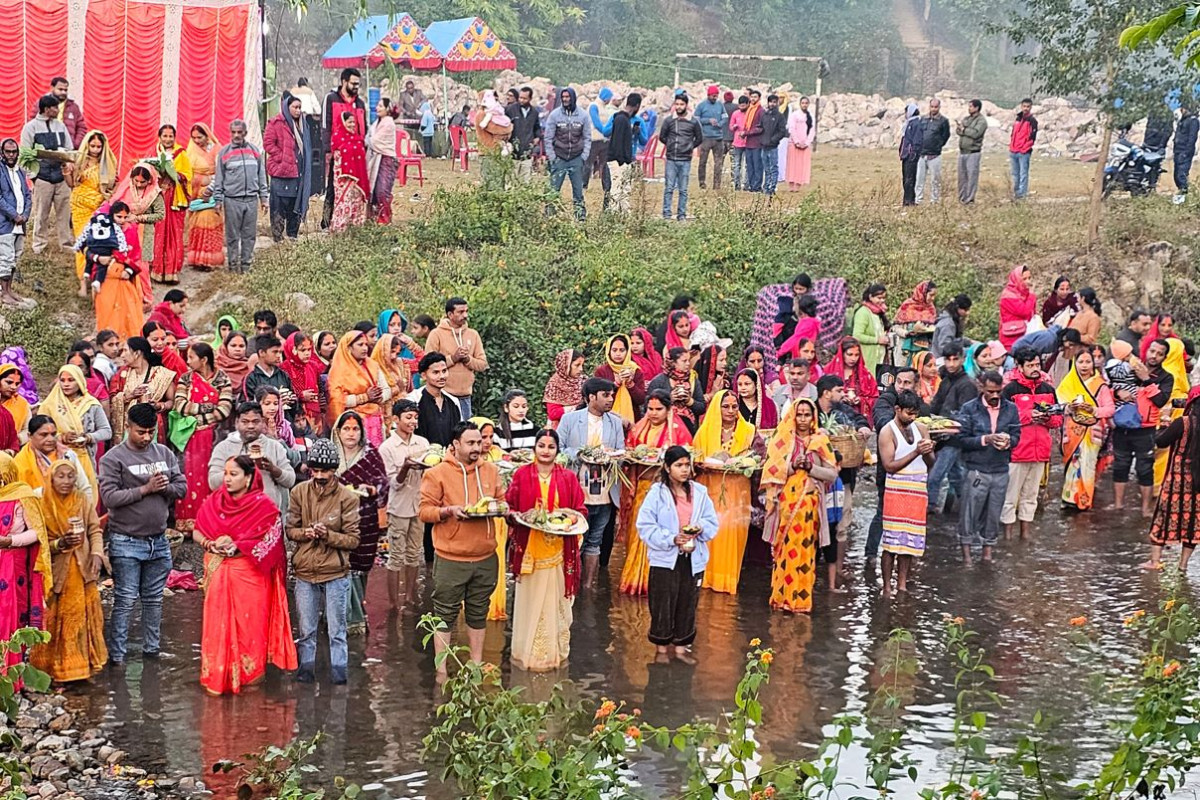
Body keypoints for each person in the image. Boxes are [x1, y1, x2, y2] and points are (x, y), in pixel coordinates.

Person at [193, 455, 296, 694]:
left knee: (250, 628)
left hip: (250, 577)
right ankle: (218, 679)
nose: (227, 479)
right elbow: (198, 531)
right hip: (218, 574)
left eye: (233, 474)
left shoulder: (264, 507)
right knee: (216, 629)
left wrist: (239, 546)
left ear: (249, 478)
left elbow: (272, 544)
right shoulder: (214, 501)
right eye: (226, 474)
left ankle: (251, 682)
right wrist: (210, 544)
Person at [99, 403, 186, 663]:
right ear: (128, 427)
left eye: (151, 431)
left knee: (153, 600)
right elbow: (109, 497)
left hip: (158, 541)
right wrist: (145, 489)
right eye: (141, 432)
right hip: (125, 540)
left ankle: (152, 653)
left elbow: (181, 487)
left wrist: (165, 488)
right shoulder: (113, 458)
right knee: (125, 600)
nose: (147, 437)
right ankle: (117, 658)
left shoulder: (164, 454)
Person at [419, 421, 503, 679]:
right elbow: (424, 512)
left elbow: (500, 501)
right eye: (471, 443)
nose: (477, 447)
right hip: (451, 558)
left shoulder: (490, 470)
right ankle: (441, 671)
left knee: (479, 612)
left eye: (479, 442)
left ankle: (475, 664)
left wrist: (502, 508)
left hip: (486, 556)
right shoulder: (437, 473)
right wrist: (448, 511)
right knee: (444, 613)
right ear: (455, 445)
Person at [504, 428, 587, 671]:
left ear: (557, 450)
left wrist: (570, 517)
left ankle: (554, 657)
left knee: (557, 604)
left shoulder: (568, 478)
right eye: (541, 445)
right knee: (529, 603)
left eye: (551, 447)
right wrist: (520, 516)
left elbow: (580, 510)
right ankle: (526, 656)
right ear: (534, 448)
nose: (546, 451)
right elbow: (509, 508)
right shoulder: (521, 475)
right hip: (530, 550)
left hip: (559, 551)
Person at [286, 438, 359, 684]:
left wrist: (328, 536)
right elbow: (290, 530)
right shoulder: (298, 492)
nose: (319, 476)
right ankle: (306, 676)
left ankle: (339, 680)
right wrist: (306, 533)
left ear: (334, 470)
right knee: (306, 632)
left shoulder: (348, 498)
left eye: (325, 471)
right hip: (305, 571)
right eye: (315, 470)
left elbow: (352, 540)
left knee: (337, 632)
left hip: (336, 572)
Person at [637, 445, 717, 662]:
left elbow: (712, 522)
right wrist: (671, 538)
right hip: (665, 558)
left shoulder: (700, 493)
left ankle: (681, 647)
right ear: (667, 467)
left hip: (694, 556)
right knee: (662, 603)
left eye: (686, 465)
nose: (684, 469)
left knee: (688, 601)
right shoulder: (657, 494)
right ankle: (661, 650)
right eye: (678, 465)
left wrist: (699, 528)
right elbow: (644, 525)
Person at [29, 458, 106, 682]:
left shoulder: (82, 500)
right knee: (53, 619)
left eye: (70, 476)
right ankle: (50, 671)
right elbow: (40, 540)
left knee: (83, 618)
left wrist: (96, 554)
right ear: (51, 478)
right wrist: (59, 544)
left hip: (83, 572)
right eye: (60, 476)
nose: (65, 481)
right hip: (55, 573)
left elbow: (94, 530)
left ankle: (81, 668)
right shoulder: (42, 503)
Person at [763, 398, 838, 613]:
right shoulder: (783, 440)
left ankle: (801, 601)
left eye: (807, 415)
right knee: (784, 551)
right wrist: (792, 466)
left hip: (809, 507)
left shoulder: (821, 441)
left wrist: (811, 467)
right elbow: (771, 471)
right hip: (785, 506)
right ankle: (781, 599)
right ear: (793, 416)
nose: (803, 419)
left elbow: (832, 473)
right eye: (799, 414)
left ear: (813, 416)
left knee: (805, 552)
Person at [618, 390, 693, 596]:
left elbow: (687, 461)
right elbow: (629, 451)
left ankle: (659, 584)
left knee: (662, 535)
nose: (653, 413)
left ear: (669, 409)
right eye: (650, 409)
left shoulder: (678, 430)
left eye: (658, 409)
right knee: (639, 536)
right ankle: (636, 582)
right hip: (641, 488)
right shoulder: (639, 428)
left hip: (666, 492)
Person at [693, 390, 762, 594]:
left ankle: (727, 585)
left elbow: (760, 457)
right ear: (716, 408)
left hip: (738, 495)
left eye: (734, 406)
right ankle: (705, 581)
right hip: (709, 492)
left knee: (731, 537)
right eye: (725, 406)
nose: (731, 411)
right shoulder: (704, 432)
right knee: (709, 536)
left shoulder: (749, 431)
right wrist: (704, 464)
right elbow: (694, 461)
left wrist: (741, 463)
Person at [557, 378, 624, 588]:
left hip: (604, 491)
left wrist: (612, 455)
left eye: (611, 395)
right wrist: (581, 453)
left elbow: (621, 452)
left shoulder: (615, 422)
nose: (610, 399)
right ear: (591, 397)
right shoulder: (570, 420)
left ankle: (587, 587)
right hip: (578, 488)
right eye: (606, 395)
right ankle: (570, 586)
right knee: (576, 539)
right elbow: (558, 449)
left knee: (595, 540)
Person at [952, 371, 1021, 565]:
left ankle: (987, 553)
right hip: (976, 469)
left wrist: (1008, 441)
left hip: (1000, 469)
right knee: (969, 513)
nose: (995, 396)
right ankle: (966, 555)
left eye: (998, 392)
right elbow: (961, 439)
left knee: (993, 513)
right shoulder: (969, 409)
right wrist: (986, 440)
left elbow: (1017, 435)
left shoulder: (1011, 409)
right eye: (990, 391)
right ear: (981, 388)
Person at [331, 411, 388, 636]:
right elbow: (315, 481)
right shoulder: (330, 453)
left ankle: (355, 611)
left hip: (365, 518)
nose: (351, 434)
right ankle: (345, 618)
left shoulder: (370, 454)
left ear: (362, 431)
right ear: (338, 431)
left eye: (355, 429)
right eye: (346, 429)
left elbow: (383, 482)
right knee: (339, 567)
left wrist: (372, 490)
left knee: (360, 568)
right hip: (334, 520)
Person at [1000, 347, 1063, 539]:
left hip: (1040, 451)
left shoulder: (1048, 389)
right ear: (1019, 367)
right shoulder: (1010, 390)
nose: (1035, 369)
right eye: (1030, 365)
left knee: (1031, 497)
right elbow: (1003, 420)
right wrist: (1028, 416)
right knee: (1010, 497)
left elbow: (1058, 419)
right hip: (1017, 451)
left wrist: (1046, 418)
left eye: (1037, 364)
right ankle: (1008, 536)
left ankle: (1025, 535)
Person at [878, 391, 935, 596]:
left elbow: (931, 464)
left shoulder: (921, 428)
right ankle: (886, 588)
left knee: (909, 543)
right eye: (908, 414)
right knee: (891, 542)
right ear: (897, 410)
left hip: (918, 490)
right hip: (896, 491)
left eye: (915, 414)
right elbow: (889, 466)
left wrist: (927, 451)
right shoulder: (887, 431)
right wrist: (916, 452)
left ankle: (901, 585)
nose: (912, 418)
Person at [172, 343, 234, 531]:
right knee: (190, 477)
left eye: (191, 357)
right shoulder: (186, 379)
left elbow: (225, 409)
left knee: (212, 475)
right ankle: (189, 522)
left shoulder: (222, 379)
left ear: (204, 360)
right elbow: (180, 406)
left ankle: (210, 522)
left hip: (215, 437)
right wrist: (207, 408)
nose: (187, 361)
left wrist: (197, 413)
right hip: (191, 438)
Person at [1112, 338, 1174, 517]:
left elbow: (1161, 400)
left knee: (1145, 468)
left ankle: (1145, 509)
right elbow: (1109, 387)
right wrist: (1117, 393)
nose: (1154, 356)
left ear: (1164, 357)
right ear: (1147, 350)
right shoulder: (1129, 367)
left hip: (1145, 429)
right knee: (1120, 465)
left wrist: (1146, 380)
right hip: (1122, 426)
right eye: (1152, 351)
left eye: (1159, 354)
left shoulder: (1166, 377)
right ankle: (1118, 506)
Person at [0, 452, 49, 668]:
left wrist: (10, 540)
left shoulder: (22, 496)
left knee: (9, 614)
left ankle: (10, 673)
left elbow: (37, 532)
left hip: (12, 563)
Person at [379, 399, 428, 609]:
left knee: (415, 553)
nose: (413, 421)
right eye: (408, 417)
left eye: (415, 417)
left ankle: (409, 595)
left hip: (419, 505)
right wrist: (406, 467)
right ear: (395, 419)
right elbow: (394, 484)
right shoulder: (387, 448)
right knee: (396, 556)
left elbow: (429, 472)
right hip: (398, 508)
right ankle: (393, 602)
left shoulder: (423, 443)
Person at [209, 402, 296, 515]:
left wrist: (273, 469)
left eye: (255, 422)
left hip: (267, 515)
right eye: (245, 422)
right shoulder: (224, 447)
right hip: (233, 516)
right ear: (236, 423)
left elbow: (290, 480)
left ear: (263, 423)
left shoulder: (274, 446)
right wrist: (238, 467)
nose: (250, 426)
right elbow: (213, 483)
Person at [1146, 386, 1200, 568]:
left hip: (1177, 479)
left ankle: (1155, 561)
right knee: (1193, 521)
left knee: (1163, 516)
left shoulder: (1182, 423)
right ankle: (1183, 565)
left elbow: (1160, 441)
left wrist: (1165, 425)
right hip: (1198, 481)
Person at [39, 365, 111, 498]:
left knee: (84, 497)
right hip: (56, 459)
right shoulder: (50, 405)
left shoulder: (91, 404)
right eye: (63, 380)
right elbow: (39, 434)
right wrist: (60, 438)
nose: (66, 384)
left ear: (79, 381)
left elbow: (106, 431)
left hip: (85, 458)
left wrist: (88, 437)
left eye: (71, 380)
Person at [1057, 350, 1115, 511]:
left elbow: (1110, 409)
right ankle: (1068, 500)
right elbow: (1058, 406)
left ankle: (1083, 501)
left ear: (1093, 364)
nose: (1084, 366)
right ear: (1074, 363)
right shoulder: (1068, 383)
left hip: (1091, 433)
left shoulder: (1100, 385)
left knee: (1087, 466)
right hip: (1071, 431)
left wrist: (1094, 410)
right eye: (1080, 362)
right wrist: (1069, 407)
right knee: (1072, 465)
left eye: (1087, 362)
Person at [21, 95, 73, 255]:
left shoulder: (61, 126)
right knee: (41, 213)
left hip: (61, 177)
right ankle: (39, 245)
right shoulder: (30, 128)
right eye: (55, 108)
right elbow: (25, 154)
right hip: (42, 177)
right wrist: (34, 176)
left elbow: (69, 148)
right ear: (46, 109)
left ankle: (66, 244)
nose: (58, 110)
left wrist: (68, 168)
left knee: (64, 213)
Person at [69, 131, 118, 289]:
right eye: (92, 146)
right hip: (80, 206)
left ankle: (98, 277)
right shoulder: (80, 161)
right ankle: (83, 281)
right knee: (82, 242)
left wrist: (105, 201)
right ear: (87, 145)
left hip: (98, 208)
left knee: (98, 242)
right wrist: (65, 170)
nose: (96, 149)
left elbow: (112, 186)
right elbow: (72, 184)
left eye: (99, 146)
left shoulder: (109, 162)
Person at [425, 298, 488, 418]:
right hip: (442, 395)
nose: (465, 315)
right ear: (450, 314)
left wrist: (467, 359)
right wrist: (453, 358)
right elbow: (428, 363)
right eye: (460, 312)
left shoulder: (473, 334)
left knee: (464, 433)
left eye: (466, 311)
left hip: (465, 397)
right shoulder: (436, 334)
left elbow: (482, 364)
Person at [326, 330, 390, 446]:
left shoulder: (372, 365)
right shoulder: (338, 371)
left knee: (375, 459)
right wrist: (365, 397)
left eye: (366, 344)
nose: (365, 348)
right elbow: (337, 400)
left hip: (375, 421)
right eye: (360, 345)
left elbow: (387, 390)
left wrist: (378, 397)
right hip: (352, 424)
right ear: (348, 348)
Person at [322, 69, 366, 228]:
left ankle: (351, 222)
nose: (356, 87)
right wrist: (328, 150)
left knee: (355, 189)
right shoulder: (331, 98)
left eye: (358, 84)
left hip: (356, 153)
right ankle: (327, 223)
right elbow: (325, 125)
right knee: (333, 189)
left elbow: (363, 128)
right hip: (337, 153)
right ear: (343, 82)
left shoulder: (359, 103)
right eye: (353, 83)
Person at [263, 93, 311, 241]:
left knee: (294, 207)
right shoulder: (276, 123)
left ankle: (292, 237)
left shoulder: (303, 124)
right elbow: (268, 144)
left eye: (299, 107)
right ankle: (278, 240)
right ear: (286, 107)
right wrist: (283, 158)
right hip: (281, 173)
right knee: (279, 207)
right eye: (295, 107)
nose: (298, 111)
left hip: (298, 174)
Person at [148, 125, 192, 284]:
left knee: (174, 234)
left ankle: (171, 271)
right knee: (157, 232)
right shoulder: (153, 153)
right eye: (164, 136)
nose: (167, 139)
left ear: (175, 137)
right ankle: (157, 270)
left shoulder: (181, 154)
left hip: (175, 198)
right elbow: (146, 173)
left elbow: (188, 175)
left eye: (170, 136)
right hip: (157, 197)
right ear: (159, 137)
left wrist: (174, 174)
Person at [544, 87, 592, 220]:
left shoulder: (583, 115)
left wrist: (584, 156)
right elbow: (548, 138)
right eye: (563, 97)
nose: (565, 99)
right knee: (553, 190)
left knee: (578, 190)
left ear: (573, 98)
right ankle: (549, 217)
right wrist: (552, 157)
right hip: (559, 158)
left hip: (576, 158)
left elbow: (587, 137)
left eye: (567, 97)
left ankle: (580, 218)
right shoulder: (554, 115)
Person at [182, 123, 224, 269]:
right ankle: (196, 259)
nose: (197, 141)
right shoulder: (191, 150)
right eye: (193, 138)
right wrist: (198, 181)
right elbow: (187, 172)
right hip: (195, 195)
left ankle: (210, 260)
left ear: (207, 135)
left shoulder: (217, 149)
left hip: (211, 194)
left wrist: (210, 187)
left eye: (200, 137)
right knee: (195, 224)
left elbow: (221, 173)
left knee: (207, 219)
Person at [659, 92, 703, 221]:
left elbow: (699, 138)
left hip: (685, 160)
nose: (679, 107)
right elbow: (662, 136)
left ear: (686, 105)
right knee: (669, 188)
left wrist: (689, 147)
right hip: (671, 158)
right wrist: (671, 145)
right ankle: (666, 214)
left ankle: (681, 214)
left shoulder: (693, 122)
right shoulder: (669, 121)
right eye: (677, 104)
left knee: (683, 189)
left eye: (681, 104)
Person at [0, 139, 32, 308]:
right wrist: (13, 215)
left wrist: (25, 214)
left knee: (15, 257)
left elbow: (27, 194)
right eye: (8, 152)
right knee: (5, 257)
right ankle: (4, 293)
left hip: (20, 223)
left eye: (13, 152)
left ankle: (10, 290)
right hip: (5, 223)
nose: (11, 155)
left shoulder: (20, 171)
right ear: (2, 153)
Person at [648, 347, 706, 434]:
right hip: (663, 430)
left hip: (688, 429)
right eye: (684, 361)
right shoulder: (658, 381)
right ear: (673, 363)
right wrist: (669, 399)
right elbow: (647, 407)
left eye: (688, 360)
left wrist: (689, 401)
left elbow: (701, 408)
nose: (688, 364)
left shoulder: (693, 380)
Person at [328, 112, 369, 232]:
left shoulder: (357, 138)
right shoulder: (337, 138)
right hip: (344, 179)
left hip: (358, 179)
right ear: (342, 122)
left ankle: (356, 230)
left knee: (357, 203)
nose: (352, 125)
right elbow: (337, 160)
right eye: (349, 122)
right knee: (345, 202)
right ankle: (340, 230)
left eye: (354, 122)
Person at [412, 353, 463, 448]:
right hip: (421, 457)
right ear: (423, 375)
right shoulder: (414, 401)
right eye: (436, 372)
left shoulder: (454, 402)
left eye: (444, 371)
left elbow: (460, 434)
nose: (442, 376)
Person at [607, 93, 646, 213]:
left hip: (624, 161)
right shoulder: (620, 119)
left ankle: (625, 216)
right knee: (616, 191)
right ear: (637, 106)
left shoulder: (624, 119)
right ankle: (613, 218)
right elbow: (617, 142)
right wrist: (621, 161)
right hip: (618, 161)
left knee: (625, 191)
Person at [595, 334, 646, 425]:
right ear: (609, 351)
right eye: (614, 350)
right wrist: (615, 385)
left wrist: (630, 384)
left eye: (622, 350)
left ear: (627, 351)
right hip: (606, 419)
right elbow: (598, 399)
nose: (618, 354)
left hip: (632, 419)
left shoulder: (635, 370)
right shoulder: (601, 371)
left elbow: (641, 400)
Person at [280, 333, 323, 435]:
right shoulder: (285, 368)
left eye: (309, 349)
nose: (307, 353)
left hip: (315, 415)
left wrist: (322, 413)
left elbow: (320, 391)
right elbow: (284, 393)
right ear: (292, 349)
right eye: (303, 350)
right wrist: (301, 396)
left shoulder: (313, 366)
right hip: (295, 416)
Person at [826, 337, 878, 417]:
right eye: (850, 354)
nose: (853, 359)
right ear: (842, 353)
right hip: (835, 417)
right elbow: (823, 396)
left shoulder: (865, 375)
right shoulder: (830, 371)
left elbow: (875, 398)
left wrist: (861, 400)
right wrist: (839, 398)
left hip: (859, 419)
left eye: (856, 355)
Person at [367, 98, 399, 224]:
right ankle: (376, 217)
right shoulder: (377, 122)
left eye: (381, 106)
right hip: (377, 158)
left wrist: (365, 141)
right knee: (374, 190)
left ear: (388, 109)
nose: (377, 108)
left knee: (382, 191)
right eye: (378, 105)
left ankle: (384, 219)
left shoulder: (388, 123)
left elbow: (376, 141)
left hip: (387, 159)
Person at [916, 99, 951, 204]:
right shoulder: (923, 119)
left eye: (936, 107)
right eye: (932, 106)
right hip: (922, 155)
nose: (934, 109)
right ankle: (918, 199)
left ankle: (934, 200)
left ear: (939, 107)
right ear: (929, 106)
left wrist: (938, 145)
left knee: (935, 179)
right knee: (919, 179)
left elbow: (945, 136)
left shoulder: (943, 121)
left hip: (934, 155)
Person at [852, 284, 890, 377]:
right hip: (867, 358)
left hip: (879, 360)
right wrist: (877, 340)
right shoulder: (863, 312)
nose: (882, 301)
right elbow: (857, 335)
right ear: (870, 297)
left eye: (883, 298)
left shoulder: (878, 313)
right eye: (879, 298)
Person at [695, 86, 728, 190]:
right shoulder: (701, 106)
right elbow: (696, 119)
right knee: (702, 161)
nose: (715, 98)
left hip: (718, 138)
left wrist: (720, 124)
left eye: (716, 96)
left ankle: (717, 184)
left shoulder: (720, 105)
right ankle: (702, 182)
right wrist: (708, 121)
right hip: (706, 138)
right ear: (708, 95)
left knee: (718, 162)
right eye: (713, 96)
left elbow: (725, 117)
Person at [38, 78, 88, 147]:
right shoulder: (42, 103)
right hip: (46, 150)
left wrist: (75, 144)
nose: (63, 92)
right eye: (60, 89)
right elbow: (34, 122)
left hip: (69, 149)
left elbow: (81, 127)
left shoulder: (73, 107)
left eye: (65, 90)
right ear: (52, 88)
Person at [507, 86, 542, 183]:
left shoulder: (534, 113)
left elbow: (537, 127)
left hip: (527, 153)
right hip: (512, 154)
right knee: (511, 182)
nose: (521, 100)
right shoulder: (510, 110)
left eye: (524, 98)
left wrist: (538, 137)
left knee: (525, 182)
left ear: (530, 99)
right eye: (520, 97)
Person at [956, 100, 987, 204]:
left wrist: (965, 130)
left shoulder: (981, 121)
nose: (969, 108)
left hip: (973, 152)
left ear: (977, 108)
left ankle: (970, 199)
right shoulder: (967, 119)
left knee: (971, 177)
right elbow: (959, 131)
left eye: (971, 107)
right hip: (963, 152)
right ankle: (962, 198)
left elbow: (976, 133)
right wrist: (962, 129)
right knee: (962, 177)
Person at [998, 266, 1037, 350]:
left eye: (1029, 278)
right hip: (1012, 338)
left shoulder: (1026, 293)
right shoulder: (1008, 296)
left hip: (1026, 335)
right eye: (1024, 279)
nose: (1028, 281)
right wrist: (1031, 296)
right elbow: (1024, 311)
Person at [783, 95, 816, 190]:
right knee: (793, 164)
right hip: (794, 143)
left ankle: (798, 184)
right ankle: (791, 184)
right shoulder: (794, 115)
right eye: (803, 103)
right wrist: (796, 141)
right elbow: (792, 128)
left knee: (802, 165)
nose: (804, 105)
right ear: (800, 104)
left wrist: (806, 143)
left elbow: (812, 130)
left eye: (806, 103)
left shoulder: (811, 116)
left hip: (805, 144)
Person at [1009, 98, 1038, 200]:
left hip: (1023, 152)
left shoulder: (1032, 121)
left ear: (1031, 107)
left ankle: (1022, 195)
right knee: (1015, 174)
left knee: (1023, 174)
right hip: (1014, 150)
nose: (1026, 108)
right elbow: (1013, 134)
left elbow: (1032, 138)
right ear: (1021, 106)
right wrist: (1012, 147)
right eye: (1024, 106)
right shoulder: (1017, 119)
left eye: (1028, 106)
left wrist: (1025, 149)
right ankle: (1016, 193)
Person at [760, 94, 788, 197]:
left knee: (773, 168)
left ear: (777, 103)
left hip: (773, 146)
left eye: (774, 102)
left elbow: (782, 131)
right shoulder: (764, 115)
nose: (772, 104)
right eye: (771, 102)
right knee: (766, 168)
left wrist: (773, 140)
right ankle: (766, 187)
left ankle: (772, 187)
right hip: (764, 146)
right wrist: (762, 139)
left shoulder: (780, 117)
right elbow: (760, 127)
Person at [931, 293, 972, 360]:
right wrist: (968, 351)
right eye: (966, 310)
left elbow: (954, 340)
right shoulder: (948, 324)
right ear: (958, 308)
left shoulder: (952, 321)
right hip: (941, 360)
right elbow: (944, 348)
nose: (967, 313)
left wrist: (968, 342)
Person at [1173, 102, 1198, 205]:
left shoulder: (1193, 121)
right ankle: (1181, 197)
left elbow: (1192, 138)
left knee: (1181, 175)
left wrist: (1186, 153)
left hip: (1185, 152)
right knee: (1176, 175)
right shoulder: (1182, 121)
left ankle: (1184, 198)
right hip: (1178, 151)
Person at [898, 103, 922, 206]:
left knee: (909, 178)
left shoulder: (916, 124)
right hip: (905, 155)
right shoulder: (909, 123)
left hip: (910, 155)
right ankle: (907, 199)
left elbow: (916, 140)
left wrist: (913, 153)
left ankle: (909, 200)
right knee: (906, 178)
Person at [742, 90, 766, 192]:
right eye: (751, 97)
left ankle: (757, 186)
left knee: (757, 166)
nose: (753, 99)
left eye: (755, 97)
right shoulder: (749, 109)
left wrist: (747, 133)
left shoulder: (761, 111)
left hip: (757, 143)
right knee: (750, 165)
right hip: (748, 143)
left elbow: (760, 128)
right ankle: (751, 186)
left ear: (759, 98)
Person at [729, 95, 750, 191]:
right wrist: (734, 127)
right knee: (737, 164)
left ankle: (746, 185)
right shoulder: (735, 114)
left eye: (743, 106)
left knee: (747, 165)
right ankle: (737, 184)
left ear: (747, 104)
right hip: (737, 142)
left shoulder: (750, 114)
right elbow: (730, 126)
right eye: (740, 106)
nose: (742, 108)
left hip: (748, 142)